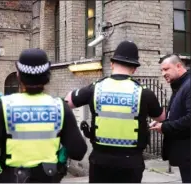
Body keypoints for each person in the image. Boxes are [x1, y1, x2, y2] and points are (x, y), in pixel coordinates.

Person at [64, 40, 166, 183]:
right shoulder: (144, 93)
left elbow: (68, 102)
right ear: (134, 68)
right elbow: (161, 117)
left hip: (100, 161)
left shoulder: (95, 88)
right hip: (131, 163)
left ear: (112, 64)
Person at [0, 48, 87, 183]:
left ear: (18, 75)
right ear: (48, 76)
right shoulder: (60, 107)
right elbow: (78, 151)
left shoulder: (5, 106)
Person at [150, 54, 190, 183]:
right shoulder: (180, 86)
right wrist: (163, 122)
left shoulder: (188, 86)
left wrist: (165, 127)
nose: (163, 73)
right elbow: (179, 115)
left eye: (166, 69)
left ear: (178, 66)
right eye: (161, 70)